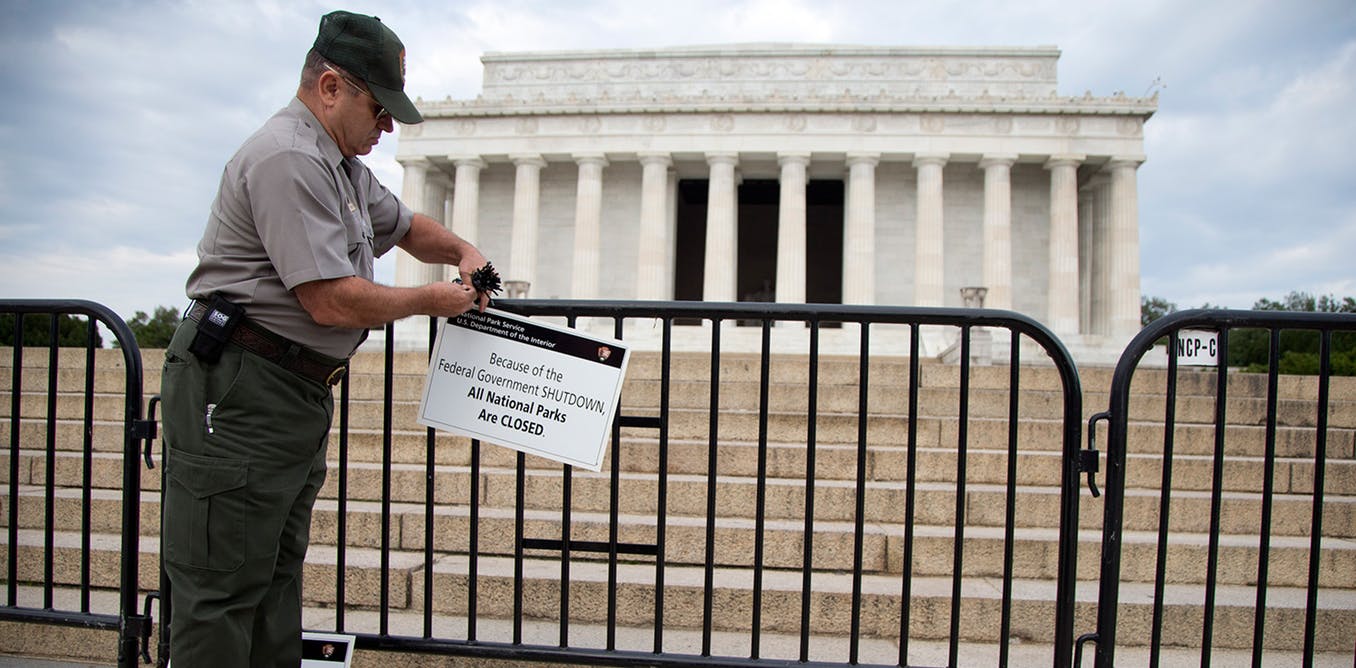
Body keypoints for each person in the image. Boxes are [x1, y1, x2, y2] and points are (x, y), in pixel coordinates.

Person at [159, 10, 489, 666]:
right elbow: (329, 299)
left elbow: (402, 224)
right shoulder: (288, 156)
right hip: (242, 384)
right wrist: (430, 299)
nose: (388, 126)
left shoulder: (337, 163)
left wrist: (462, 248)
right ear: (331, 87)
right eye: (380, 107)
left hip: (289, 391)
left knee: (273, 580)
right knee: (221, 590)